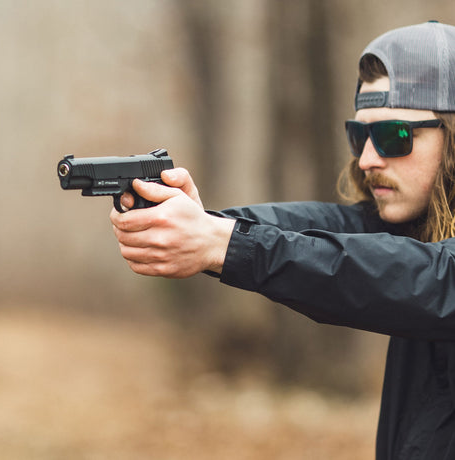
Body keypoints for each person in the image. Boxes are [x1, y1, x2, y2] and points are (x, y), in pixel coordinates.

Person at [110, 21, 455, 459]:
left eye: (393, 136)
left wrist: (223, 242)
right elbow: (328, 232)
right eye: (360, 136)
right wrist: (204, 224)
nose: (367, 158)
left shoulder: (435, 264)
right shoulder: (417, 225)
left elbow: (430, 279)